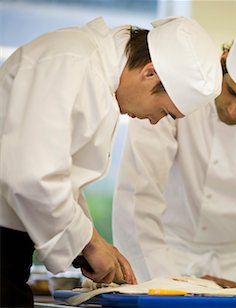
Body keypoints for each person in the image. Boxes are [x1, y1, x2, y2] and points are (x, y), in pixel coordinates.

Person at [0, 16, 222, 307]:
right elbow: (31, 175)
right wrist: (90, 242)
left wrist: (90, 243)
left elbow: (57, 178)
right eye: (164, 111)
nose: (155, 121)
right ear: (150, 73)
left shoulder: (95, 76)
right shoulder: (71, 60)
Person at [112, 20, 236, 290]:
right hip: (169, 253)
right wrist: (166, 286)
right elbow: (138, 199)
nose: (234, 111)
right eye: (231, 92)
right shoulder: (182, 87)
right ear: (222, 63)